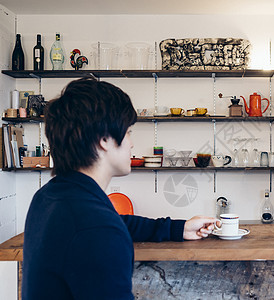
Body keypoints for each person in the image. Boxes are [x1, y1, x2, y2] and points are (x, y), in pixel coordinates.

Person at [22, 77, 218, 299]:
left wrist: (179, 229)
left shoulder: (50, 197)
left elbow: (119, 222)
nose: (132, 143)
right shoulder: (96, 228)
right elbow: (103, 228)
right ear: (104, 138)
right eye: (128, 132)